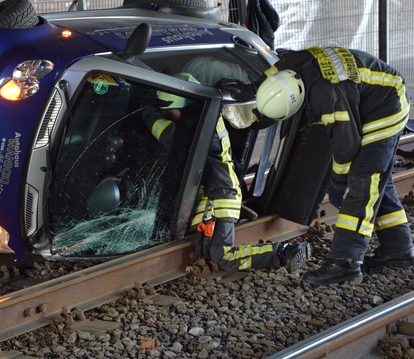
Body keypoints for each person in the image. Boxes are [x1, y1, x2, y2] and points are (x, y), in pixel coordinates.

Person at [254, 46, 414, 285]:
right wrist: (249, 89)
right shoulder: (287, 64)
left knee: (363, 182)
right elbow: (269, 74)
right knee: (376, 178)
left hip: (387, 105)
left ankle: (345, 263)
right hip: (370, 92)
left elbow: (346, 147)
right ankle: (398, 248)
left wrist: (338, 184)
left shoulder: (327, 95)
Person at [142, 61, 310, 272]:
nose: (170, 116)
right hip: (216, 195)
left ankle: (283, 253)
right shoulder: (206, 120)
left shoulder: (197, 131)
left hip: (221, 200)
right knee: (208, 250)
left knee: (223, 257)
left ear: (180, 107)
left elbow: (168, 134)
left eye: (170, 111)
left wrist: (146, 112)